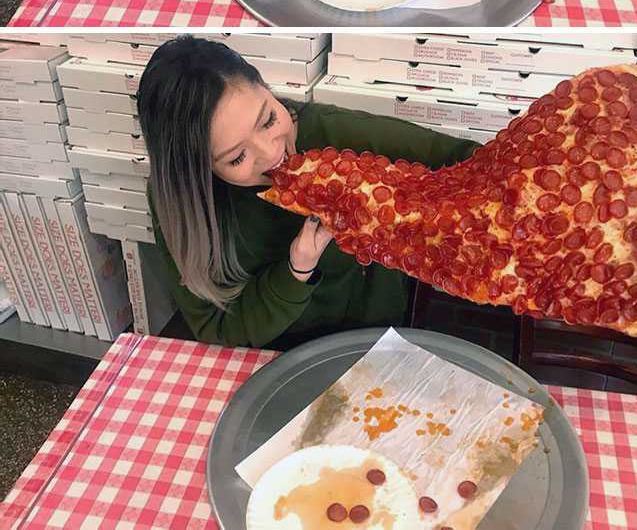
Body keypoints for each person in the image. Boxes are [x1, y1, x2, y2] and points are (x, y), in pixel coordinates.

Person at [137, 36, 479, 350]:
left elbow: (463, 162)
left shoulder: (335, 134)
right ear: (197, 172)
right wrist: (296, 270)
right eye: (237, 157)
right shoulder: (178, 203)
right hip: (268, 355)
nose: (272, 153)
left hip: (375, 338)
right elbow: (218, 328)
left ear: (267, 89)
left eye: (269, 119)